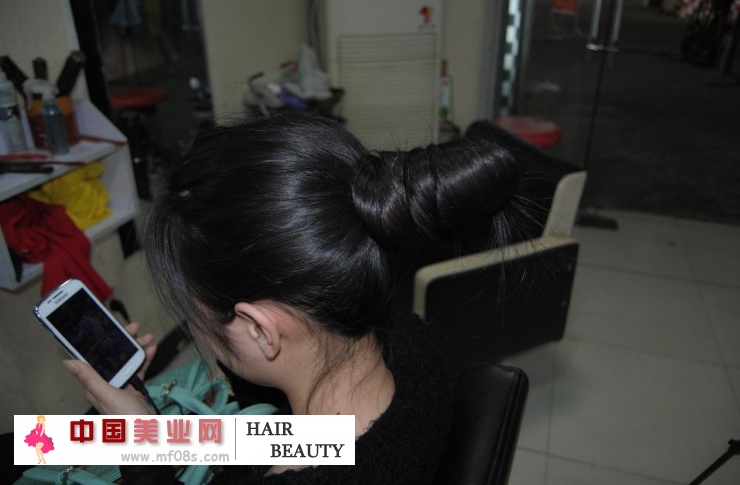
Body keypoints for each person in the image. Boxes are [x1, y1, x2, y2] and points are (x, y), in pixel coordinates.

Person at [64, 114, 524, 484]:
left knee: (42, 445)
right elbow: (311, 436)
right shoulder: (409, 345)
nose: (195, 327)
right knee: (45, 440)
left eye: (192, 310)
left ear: (260, 329)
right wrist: (148, 427)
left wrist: (141, 447)